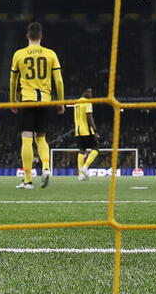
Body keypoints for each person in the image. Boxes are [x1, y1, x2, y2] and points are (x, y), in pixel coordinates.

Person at [9, 22, 64, 189]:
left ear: (27, 36)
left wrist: (12, 100)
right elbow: (59, 81)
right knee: (41, 138)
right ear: (41, 36)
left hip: (27, 100)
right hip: (46, 101)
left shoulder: (19, 54)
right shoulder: (50, 54)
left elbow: (13, 81)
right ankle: (46, 168)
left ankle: (27, 180)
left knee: (26, 138)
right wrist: (60, 102)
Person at [71, 88, 99, 181]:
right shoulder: (87, 102)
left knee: (82, 150)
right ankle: (85, 167)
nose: (91, 94)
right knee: (96, 148)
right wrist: (95, 131)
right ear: (84, 92)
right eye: (89, 92)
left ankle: (81, 174)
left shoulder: (76, 103)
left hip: (78, 131)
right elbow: (89, 117)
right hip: (87, 130)